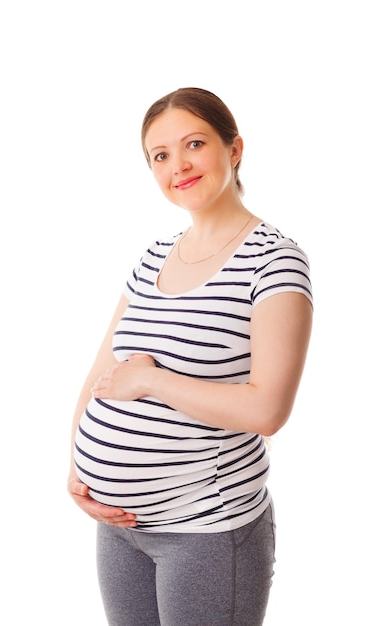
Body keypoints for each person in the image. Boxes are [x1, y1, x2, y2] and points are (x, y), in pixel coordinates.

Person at [68, 87, 313, 626]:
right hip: (121, 530)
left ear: (234, 148)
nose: (177, 166)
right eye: (160, 155)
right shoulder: (153, 256)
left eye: (193, 144)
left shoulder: (274, 262)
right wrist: (78, 467)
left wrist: (152, 384)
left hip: (206, 530)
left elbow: (267, 410)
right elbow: (103, 371)